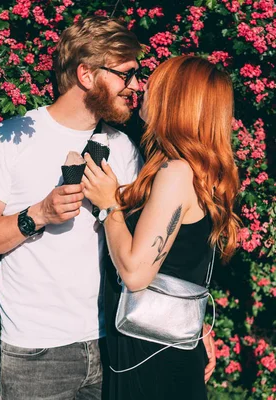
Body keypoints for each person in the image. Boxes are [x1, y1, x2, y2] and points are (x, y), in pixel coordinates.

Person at [0, 16, 144, 399]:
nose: (136, 86)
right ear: (86, 74)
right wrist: (39, 214)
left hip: (111, 340)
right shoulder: (11, 137)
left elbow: (141, 248)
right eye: (126, 75)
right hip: (38, 350)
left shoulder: (124, 148)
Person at [81, 55, 240, 399]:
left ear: (176, 100)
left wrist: (109, 205)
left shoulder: (177, 173)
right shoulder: (202, 172)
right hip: (164, 345)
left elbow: (136, 274)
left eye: (155, 84)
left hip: (150, 358)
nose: (143, 87)